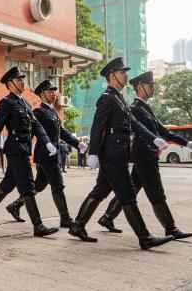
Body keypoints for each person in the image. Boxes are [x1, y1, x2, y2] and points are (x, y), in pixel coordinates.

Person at [68, 57, 174, 250]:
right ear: (112, 75)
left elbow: (134, 123)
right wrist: (93, 153)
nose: (126, 76)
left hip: (117, 153)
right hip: (112, 154)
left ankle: (77, 224)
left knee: (100, 191)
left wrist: (153, 138)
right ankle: (144, 237)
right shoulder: (107, 98)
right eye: (122, 73)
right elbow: (97, 126)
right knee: (128, 193)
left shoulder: (119, 99)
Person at [96, 71, 192, 240]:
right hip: (144, 155)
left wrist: (186, 143)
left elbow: (162, 130)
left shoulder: (145, 107)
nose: (153, 89)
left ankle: (107, 217)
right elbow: (140, 130)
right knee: (156, 193)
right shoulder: (134, 108)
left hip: (145, 155)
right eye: (150, 86)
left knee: (132, 189)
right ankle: (170, 228)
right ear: (140, 87)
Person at [0, 67, 58, 237]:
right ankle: (38, 225)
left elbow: (36, 125)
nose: (22, 82)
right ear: (10, 84)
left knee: (7, 184)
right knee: (27, 185)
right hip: (15, 149)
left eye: (22, 79)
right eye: (18, 79)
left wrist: (46, 141)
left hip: (23, 148)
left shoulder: (26, 103)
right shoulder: (6, 103)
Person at [3, 80, 88, 228]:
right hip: (45, 154)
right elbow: (32, 131)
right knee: (58, 185)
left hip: (51, 153)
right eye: (50, 91)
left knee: (40, 184)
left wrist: (77, 143)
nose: (54, 94)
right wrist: (23, 150)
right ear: (42, 94)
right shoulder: (38, 112)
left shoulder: (52, 111)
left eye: (54, 91)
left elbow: (61, 132)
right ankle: (65, 217)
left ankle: (15, 205)